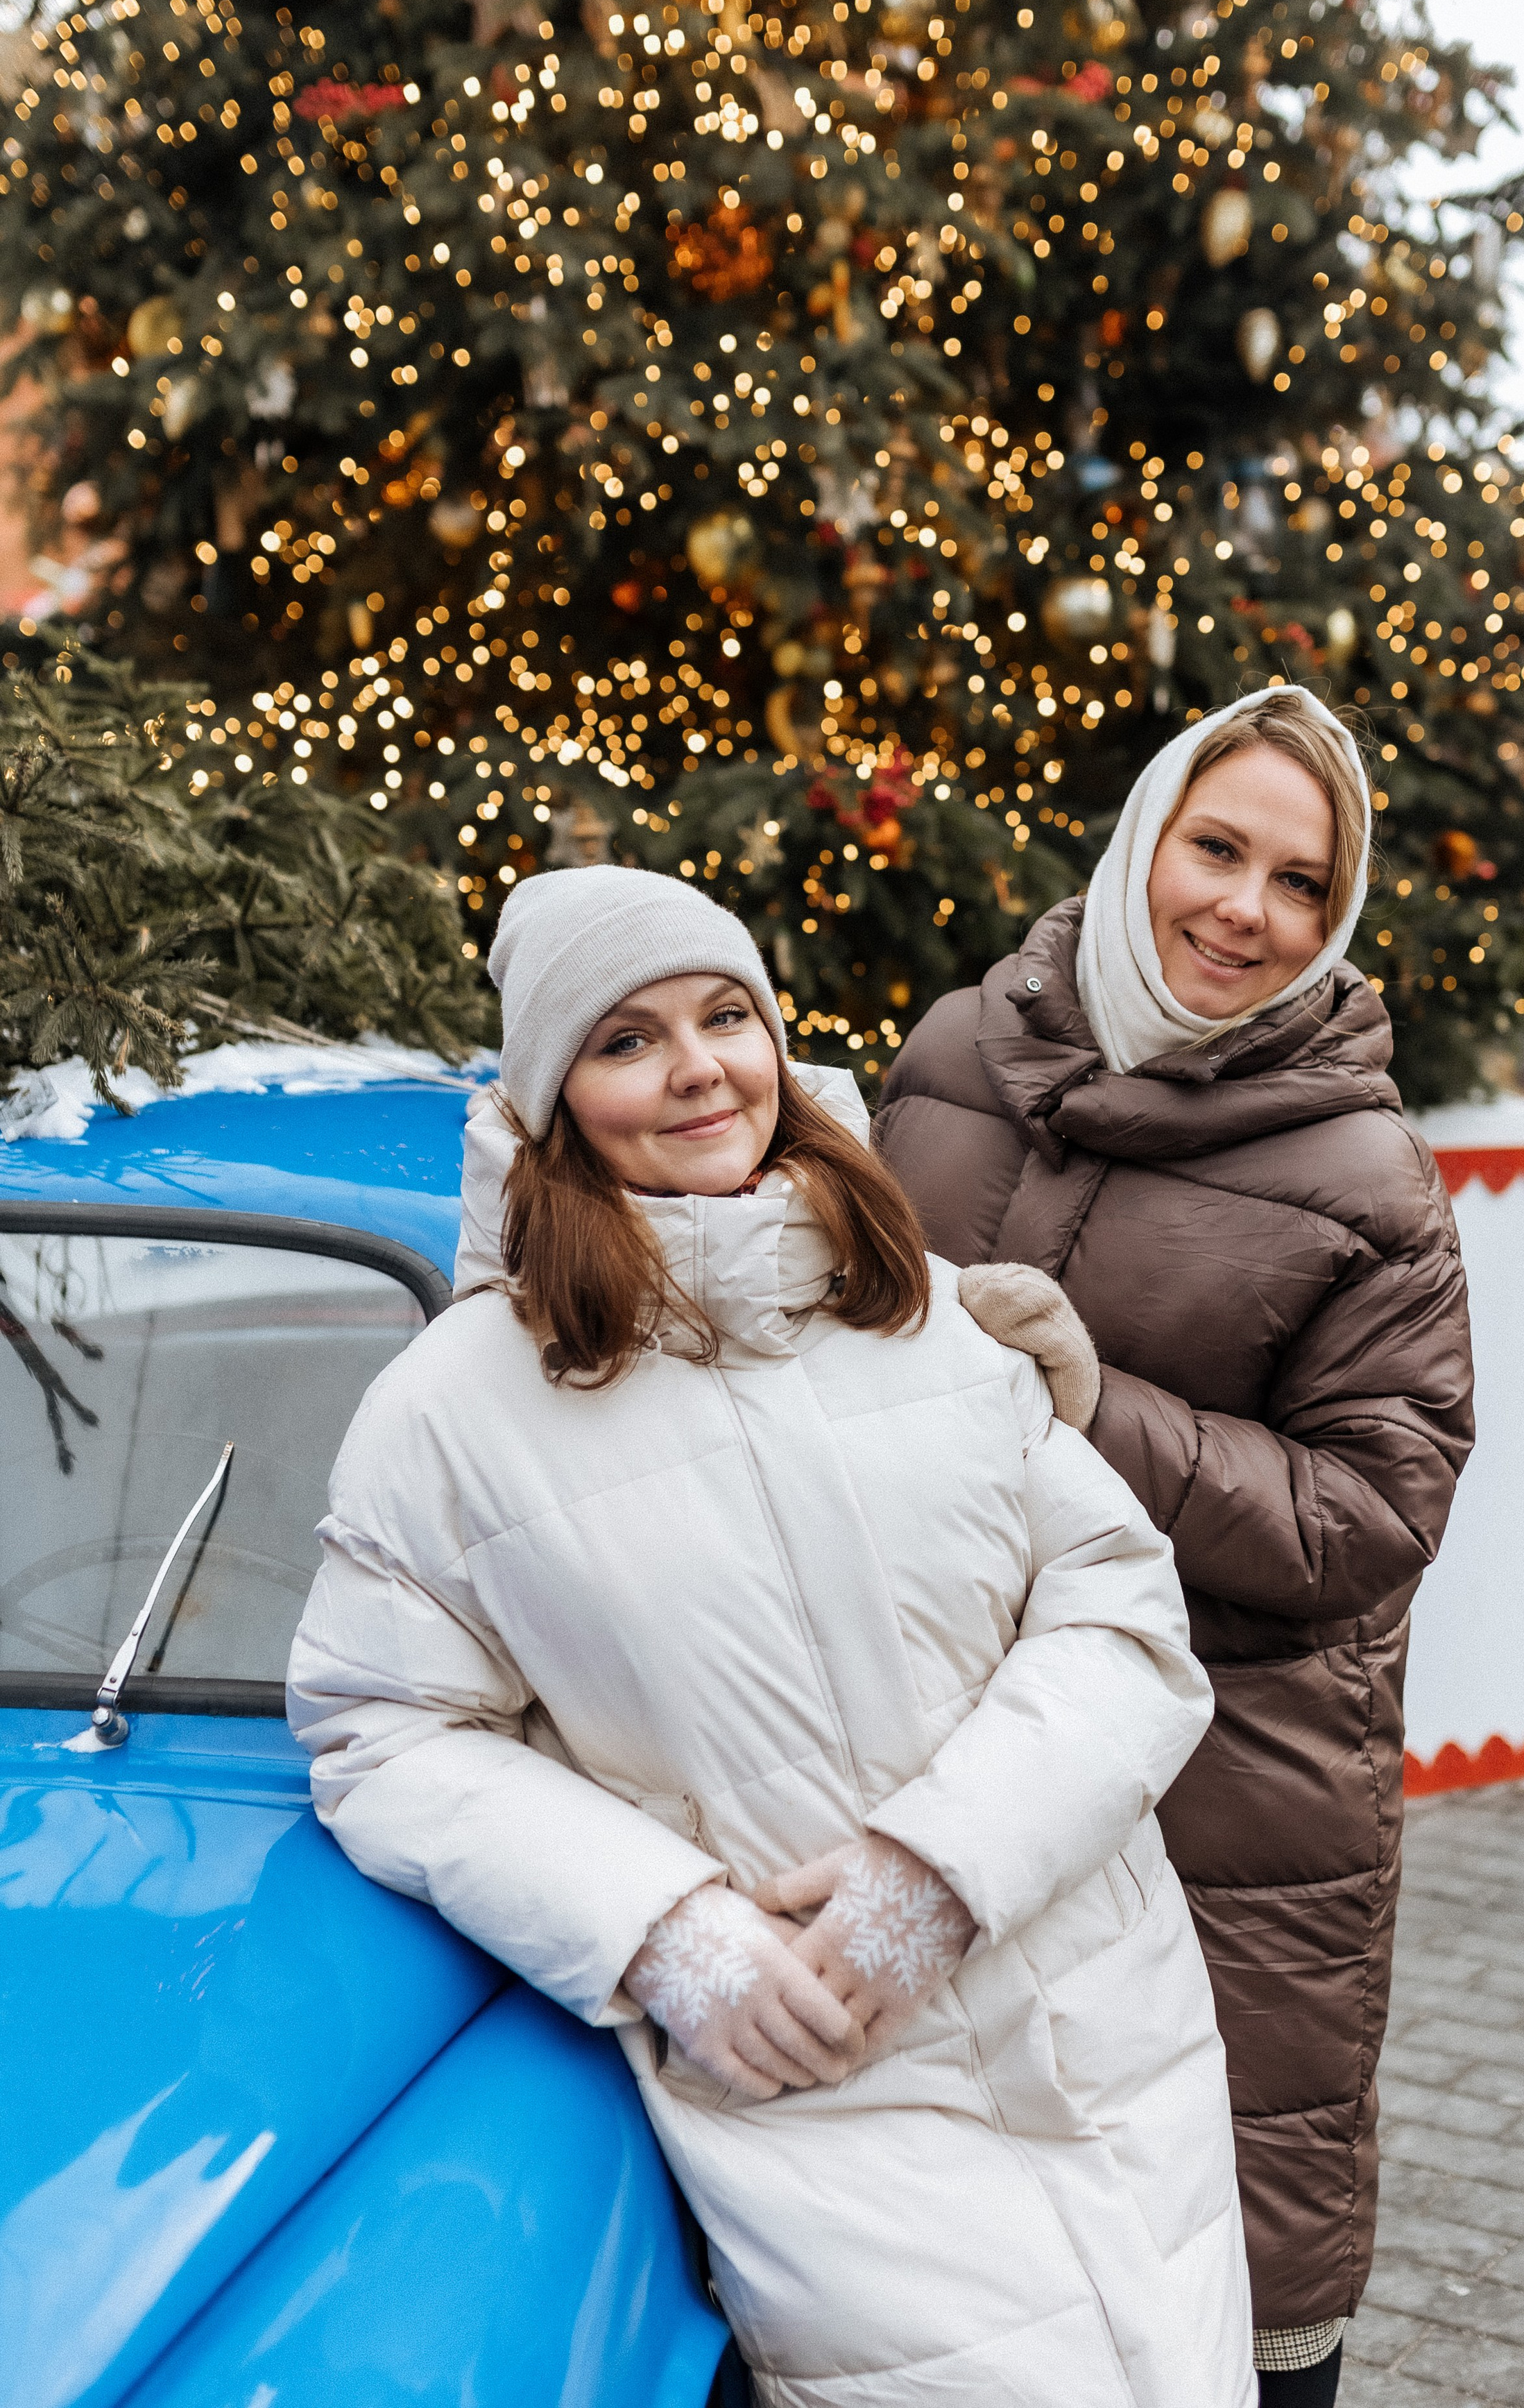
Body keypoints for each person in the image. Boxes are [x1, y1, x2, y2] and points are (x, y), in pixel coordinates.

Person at [288, 867, 1258, 2408]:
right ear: (551, 1099)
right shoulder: (455, 1408)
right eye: (626, 1040)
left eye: (725, 1017)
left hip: (1108, 2030)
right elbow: (382, 1732)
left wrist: (939, 1873)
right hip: (823, 2095)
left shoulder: (923, 1312)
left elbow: (1121, 1611)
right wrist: (662, 1931)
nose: (697, 1069)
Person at [874, 688, 1475, 2408]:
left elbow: (1372, 1517)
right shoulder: (950, 1058)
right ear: (1144, 835)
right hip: (935, 1751)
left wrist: (1092, 1406)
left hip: (1224, 1800)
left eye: (1299, 883)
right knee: (947, 2286)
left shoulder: (1367, 1176)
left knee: (1216, 2292)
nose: (1242, 908)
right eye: (1215, 847)